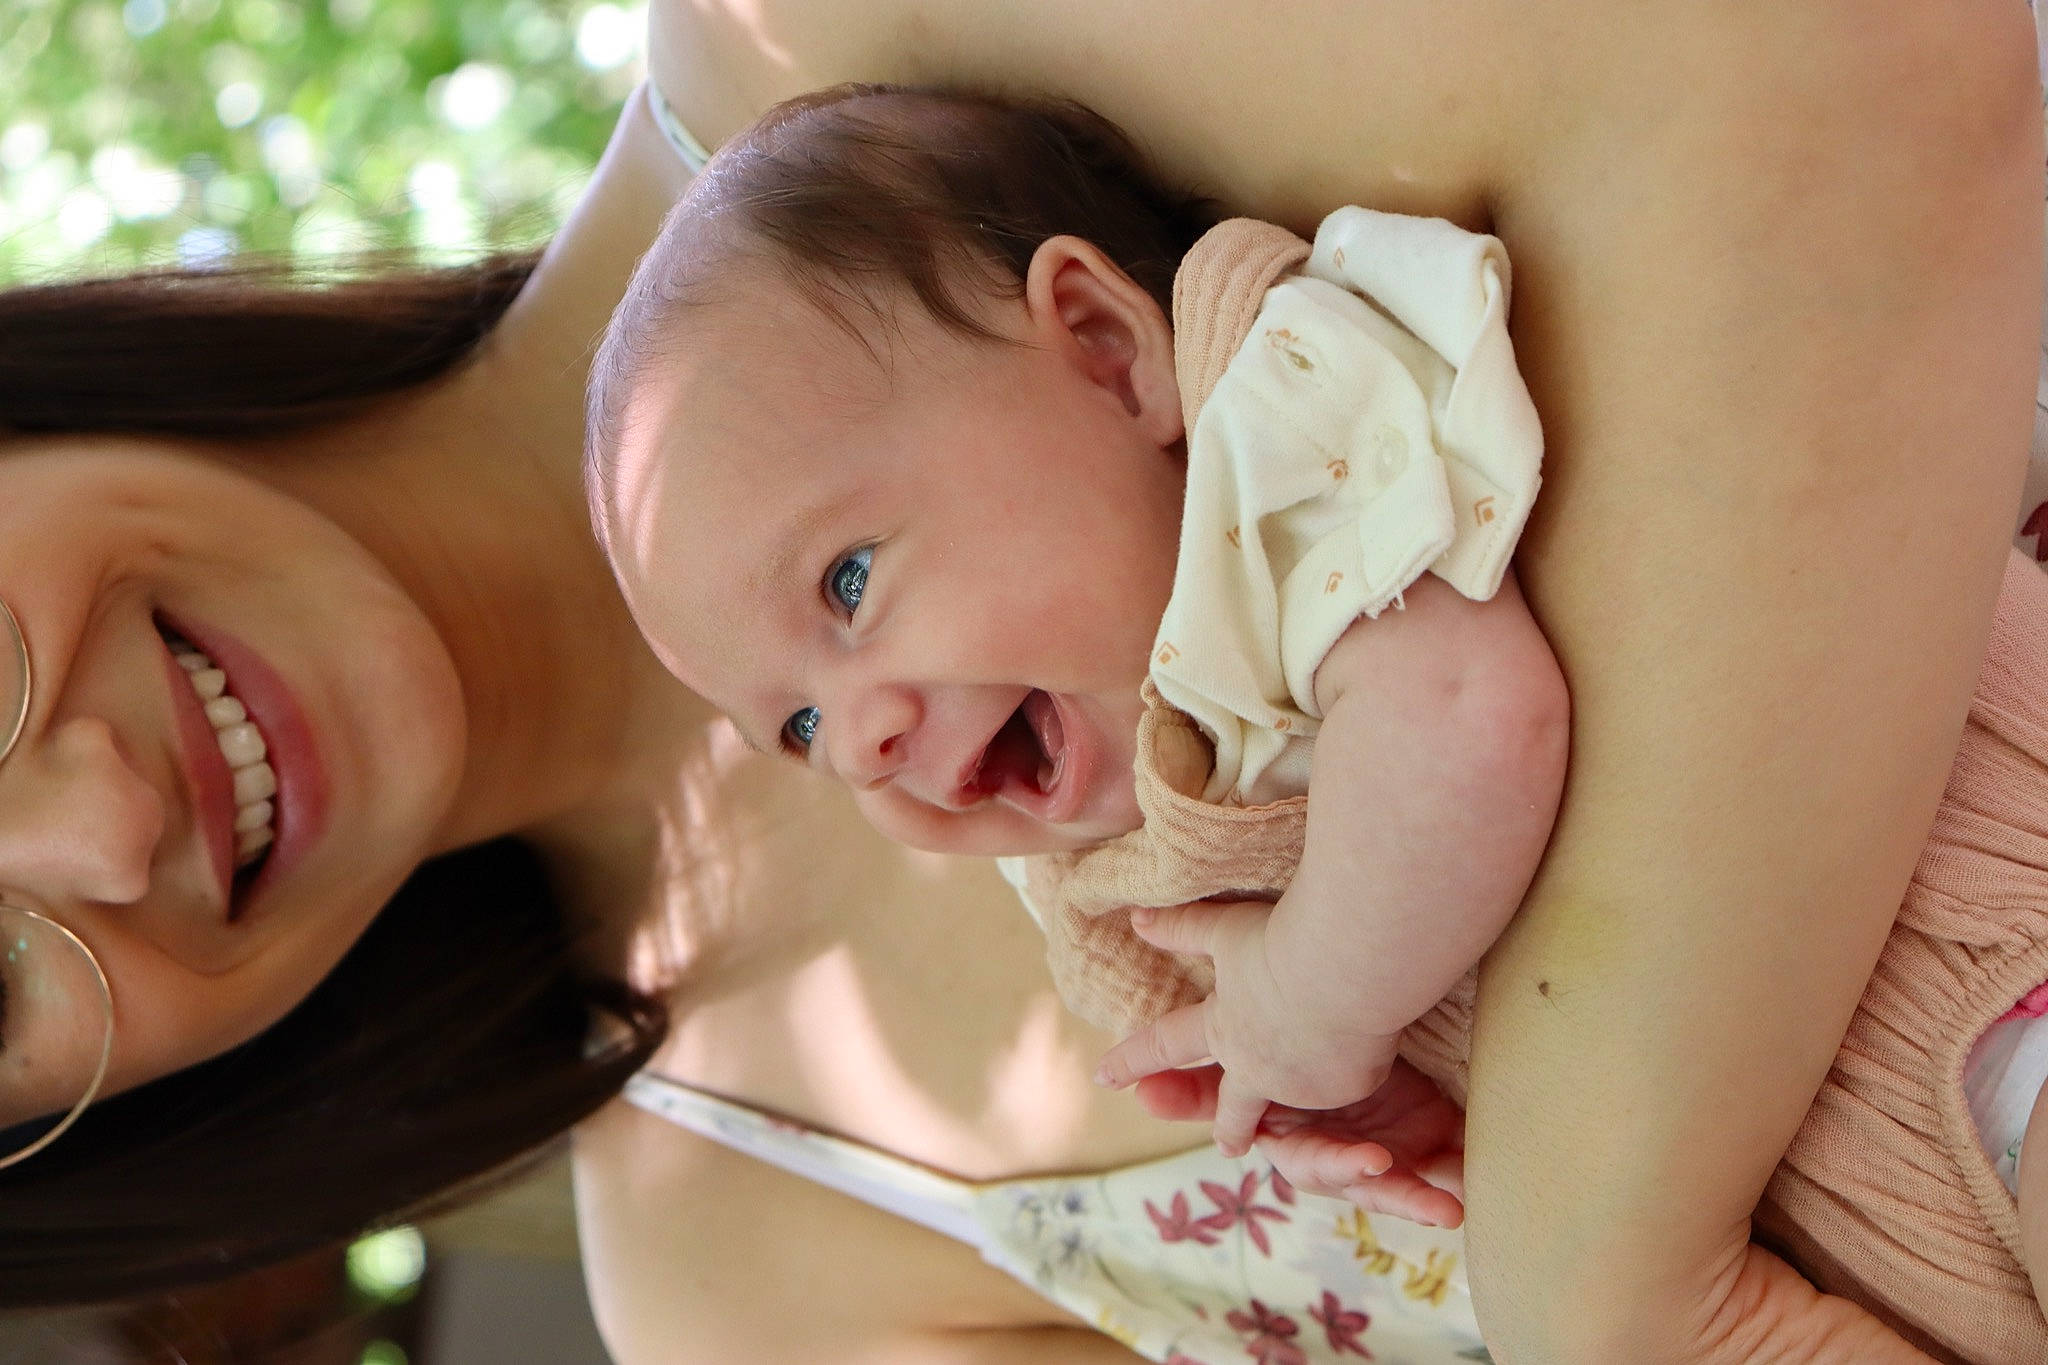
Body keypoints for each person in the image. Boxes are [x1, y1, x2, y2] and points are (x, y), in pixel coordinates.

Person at [0, 3, 2038, 1363]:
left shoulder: (831, 30)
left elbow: (1827, 59)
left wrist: (1613, 1251)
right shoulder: (757, 1282)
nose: (100, 826)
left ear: (1100, 339)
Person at [585, 83, 1570, 1178]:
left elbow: (1468, 722)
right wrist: (1361, 1087)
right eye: (801, 725)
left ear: (1107, 354)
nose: (856, 748)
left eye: (850, 582)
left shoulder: (1282, 451)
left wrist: (1313, 1006)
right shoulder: (1113, 866)